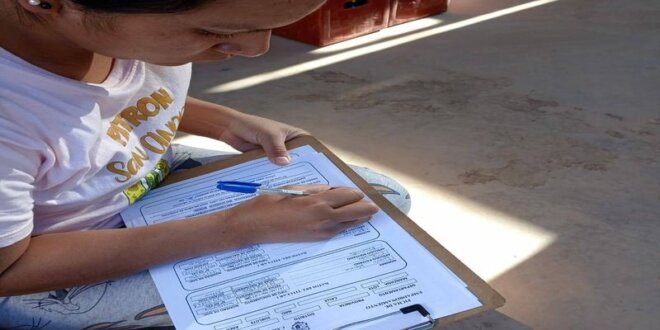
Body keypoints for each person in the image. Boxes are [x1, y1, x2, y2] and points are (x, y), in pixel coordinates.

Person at [0, 1, 411, 328]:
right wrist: (236, 229)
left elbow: (111, 101)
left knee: (375, 201)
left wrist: (223, 121)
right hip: (47, 271)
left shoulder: (109, 34)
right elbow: (9, 269)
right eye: (219, 32)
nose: (256, 50)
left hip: (143, 184)